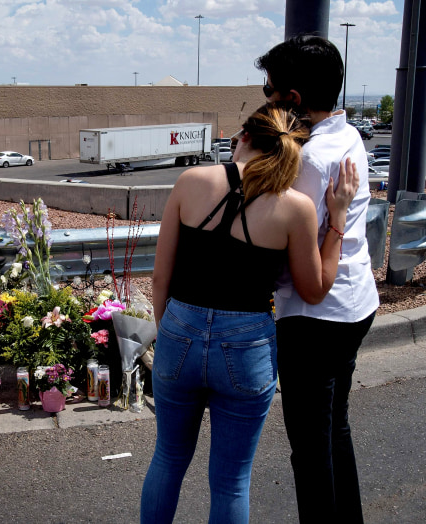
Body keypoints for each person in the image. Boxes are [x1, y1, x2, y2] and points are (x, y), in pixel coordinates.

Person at [140, 102, 359, 523]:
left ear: (242, 138)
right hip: (246, 342)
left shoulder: (192, 181)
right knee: (231, 481)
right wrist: (338, 219)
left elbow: (160, 278)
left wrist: (171, 333)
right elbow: (315, 290)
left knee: (167, 460)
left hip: (180, 330)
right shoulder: (296, 208)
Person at [256, 35, 379, 524]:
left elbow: (297, 261)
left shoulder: (305, 160)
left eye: (270, 92)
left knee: (310, 448)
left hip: (313, 317)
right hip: (356, 303)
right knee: (334, 430)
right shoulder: (347, 136)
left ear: (293, 99)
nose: (265, 101)